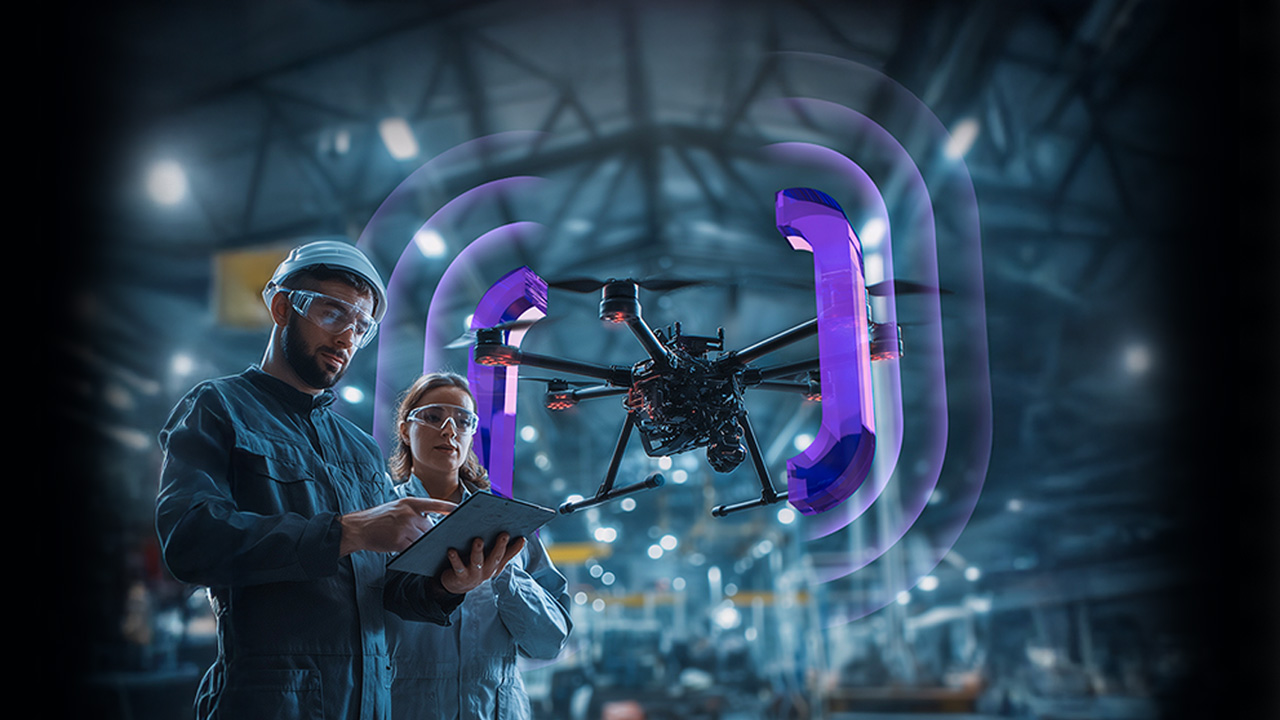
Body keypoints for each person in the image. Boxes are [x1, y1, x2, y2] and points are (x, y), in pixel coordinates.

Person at [154, 239, 523, 720]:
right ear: (283, 307)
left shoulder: (359, 449)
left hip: (370, 701)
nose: (347, 336)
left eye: (361, 326)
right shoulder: (220, 409)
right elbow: (190, 541)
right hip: (270, 701)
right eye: (332, 313)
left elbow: (386, 591)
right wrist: (346, 531)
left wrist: (447, 586)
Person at [386, 372, 573, 720]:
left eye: (462, 421)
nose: (449, 429)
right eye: (433, 416)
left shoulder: (510, 526)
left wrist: (506, 576)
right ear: (404, 429)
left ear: (472, 435)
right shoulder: (382, 521)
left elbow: (549, 643)